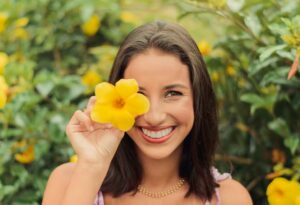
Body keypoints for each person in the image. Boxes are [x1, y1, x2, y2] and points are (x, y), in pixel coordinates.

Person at [42, 21, 253, 205]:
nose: (154, 116)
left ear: (198, 99)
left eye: (172, 93)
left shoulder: (230, 199)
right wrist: (92, 166)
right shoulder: (69, 182)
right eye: (139, 95)